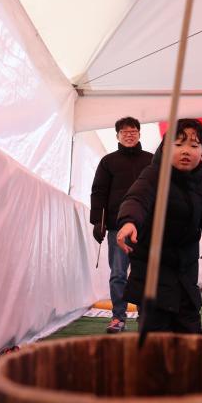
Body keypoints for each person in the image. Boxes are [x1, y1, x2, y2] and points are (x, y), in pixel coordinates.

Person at [115, 118, 202, 334]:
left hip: (186, 264)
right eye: (178, 144)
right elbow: (137, 198)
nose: (186, 151)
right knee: (155, 327)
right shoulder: (153, 174)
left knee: (189, 324)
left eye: (193, 146)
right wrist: (129, 221)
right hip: (152, 264)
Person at [90, 116, 153, 333]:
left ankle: (146, 316)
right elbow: (98, 192)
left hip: (146, 227)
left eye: (133, 131)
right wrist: (98, 221)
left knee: (145, 272)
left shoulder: (152, 160)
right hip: (117, 227)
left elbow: (161, 191)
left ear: (139, 134)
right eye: (124, 131)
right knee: (118, 273)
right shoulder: (108, 162)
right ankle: (118, 317)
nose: (129, 134)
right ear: (117, 135)